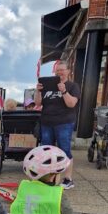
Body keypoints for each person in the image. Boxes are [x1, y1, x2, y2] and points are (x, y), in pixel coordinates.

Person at [34, 61, 80, 189]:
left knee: (65, 150)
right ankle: (48, 177)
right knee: (47, 151)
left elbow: (71, 104)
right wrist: (38, 91)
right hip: (47, 122)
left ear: (68, 71)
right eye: (57, 70)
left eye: (62, 70)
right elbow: (38, 103)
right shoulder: (48, 86)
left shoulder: (73, 86)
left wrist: (64, 91)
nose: (59, 72)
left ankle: (68, 179)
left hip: (64, 123)